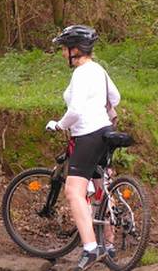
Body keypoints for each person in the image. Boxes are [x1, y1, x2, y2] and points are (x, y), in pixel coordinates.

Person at [45, 25, 120, 271]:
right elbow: (115, 98)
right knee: (101, 187)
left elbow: (75, 111)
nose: (62, 54)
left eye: (64, 49)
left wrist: (59, 124)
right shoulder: (99, 70)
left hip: (87, 134)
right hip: (106, 131)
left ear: (75, 50)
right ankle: (109, 246)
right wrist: (107, 112)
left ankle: (90, 248)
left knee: (73, 191)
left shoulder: (80, 73)